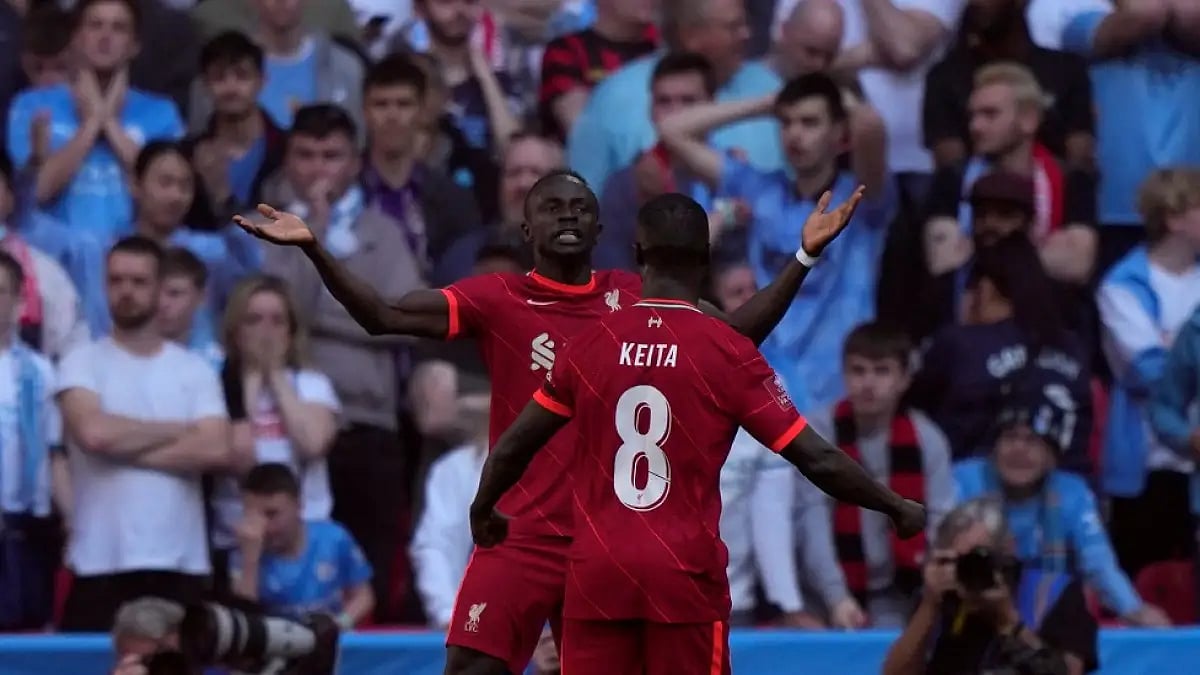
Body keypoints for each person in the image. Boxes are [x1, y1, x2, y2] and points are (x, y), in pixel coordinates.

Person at [234, 170, 865, 675]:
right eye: (552, 205)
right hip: (523, 532)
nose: (567, 213)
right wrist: (315, 247)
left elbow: (732, 338)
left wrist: (804, 257)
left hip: (607, 543)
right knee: (469, 667)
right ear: (526, 227)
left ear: (600, 228)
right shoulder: (497, 297)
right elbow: (381, 314)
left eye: (580, 206)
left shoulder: (638, 295)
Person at [467, 192, 926, 674]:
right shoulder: (726, 353)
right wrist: (892, 505)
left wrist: (484, 507)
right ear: (706, 259)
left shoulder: (589, 345)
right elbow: (816, 459)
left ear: (638, 255)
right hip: (682, 575)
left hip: (597, 574)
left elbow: (516, 443)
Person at [882, 498, 1098, 675]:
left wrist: (1007, 620)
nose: (969, 569)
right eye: (957, 560)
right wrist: (929, 605)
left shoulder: (1054, 593)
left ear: (1009, 550)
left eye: (979, 558)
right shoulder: (940, 595)